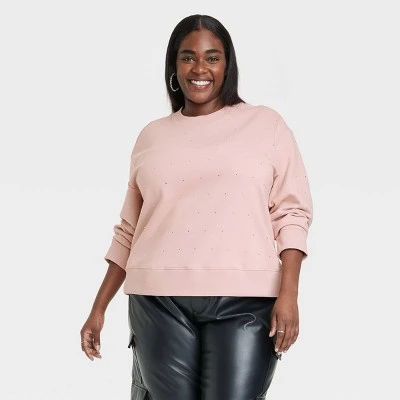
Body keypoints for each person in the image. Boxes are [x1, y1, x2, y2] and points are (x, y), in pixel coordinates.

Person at [80, 14, 313, 400]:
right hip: (157, 301)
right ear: (173, 67)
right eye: (188, 57)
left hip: (246, 301)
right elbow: (129, 229)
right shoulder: (152, 136)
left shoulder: (266, 125)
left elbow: (292, 213)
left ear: (227, 65)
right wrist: (98, 308)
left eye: (212, 58)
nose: (199, 68)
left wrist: (289, 294)